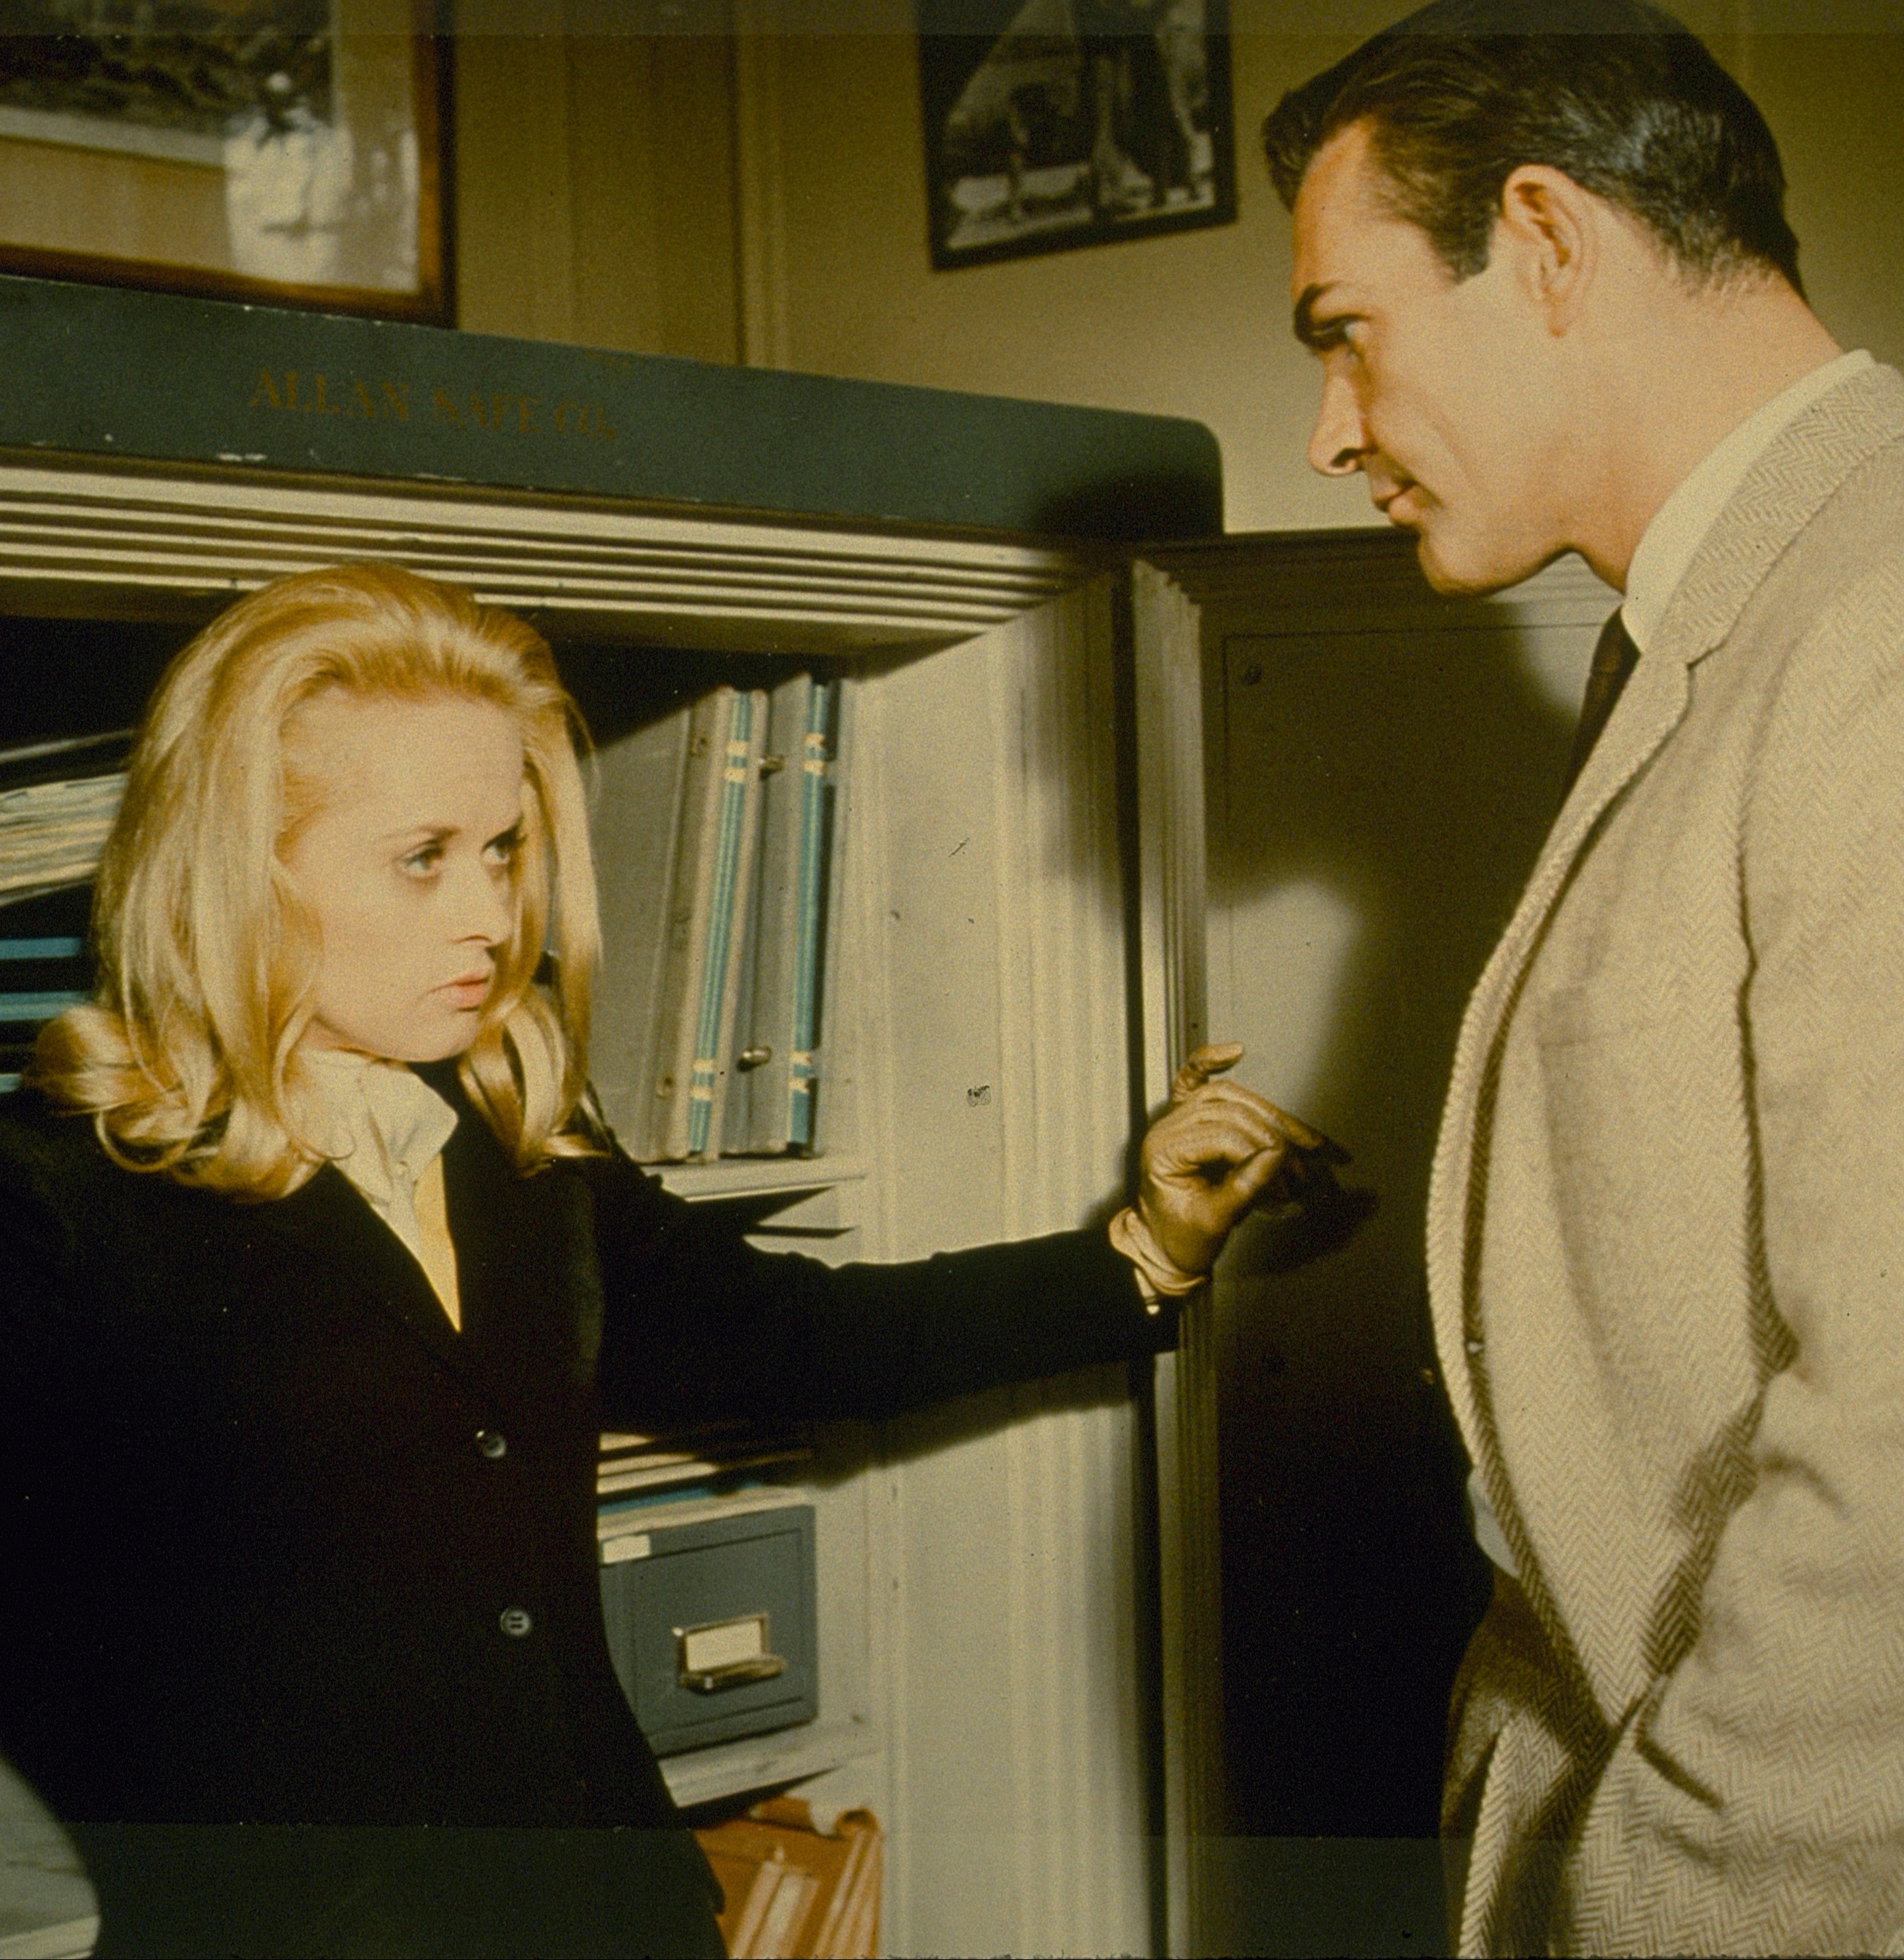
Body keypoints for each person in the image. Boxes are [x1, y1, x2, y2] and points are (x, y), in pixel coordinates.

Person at [0, 563, 1309, 1957]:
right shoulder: (60, 1195)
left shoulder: (518, 1140)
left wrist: (1146, 1247)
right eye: (423, 855)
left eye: (504, 848)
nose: (492, 914)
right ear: (240, 868)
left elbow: (801, 1334)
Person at [1262, 2, 1904, 1953]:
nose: (1329, 432)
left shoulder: (1873, 617)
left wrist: (1651, 1895)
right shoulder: (1747, 605)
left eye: (1345, 331)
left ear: (1545, 240)